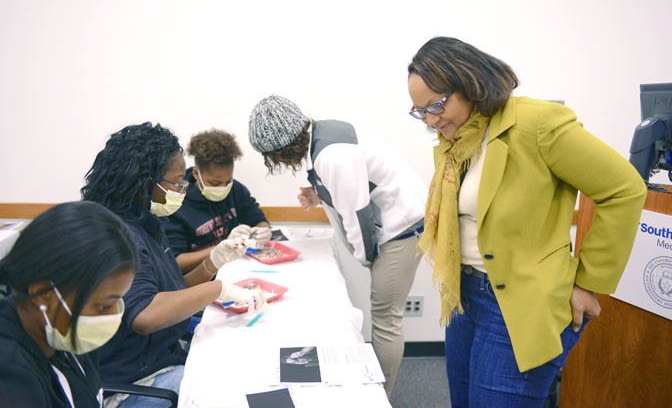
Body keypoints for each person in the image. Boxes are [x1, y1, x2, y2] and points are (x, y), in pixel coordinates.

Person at [407, 36, 648, 408]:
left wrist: (588, 283)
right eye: (420, 111)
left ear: (470, 83)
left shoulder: (536, 124)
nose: (432, 119)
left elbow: (625, 189)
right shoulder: (455, 138)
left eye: (437, 105)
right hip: (464, 295)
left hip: (519, 304)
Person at [248, 95, 428, 397]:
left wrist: (366, 258)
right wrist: (320, 193)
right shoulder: (323, 134)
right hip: (396, 221)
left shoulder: (332, 154)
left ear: (280, 151)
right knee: (383, 315)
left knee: (385, 319)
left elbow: (357, 215)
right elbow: (357, 184)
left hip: (402, 229)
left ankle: (378, 398)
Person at [81, 122, 267, 407]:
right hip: (133, 382)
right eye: (177, 181)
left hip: (161, 358)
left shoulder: (147, 222)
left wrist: (212, 262)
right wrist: (218, 289)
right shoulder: (118, 234)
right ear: (145, 180)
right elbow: (145, 315)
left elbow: (172, 289)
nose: (182, 189)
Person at [0, 201, 139, 407]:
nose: (114, 315)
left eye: (119, 299)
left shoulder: (64, 334)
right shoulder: (12, 377)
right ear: (41, 294)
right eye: (103, 306)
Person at [166, 128, 271, 273]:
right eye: (215, 184)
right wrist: (221, 249)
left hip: (233, 270)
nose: (223, 188)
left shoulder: (235, 190)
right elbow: (176, 261)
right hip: (196, 279)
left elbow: (258, 219)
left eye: (228, 181)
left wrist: (262, 231)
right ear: (197, 174)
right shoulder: (175, 203)